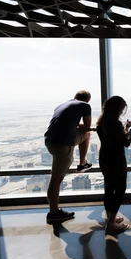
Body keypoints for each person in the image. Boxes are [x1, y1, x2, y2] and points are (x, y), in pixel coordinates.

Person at [45, 90, 93, 224]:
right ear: (87, 100)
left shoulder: (62, 105)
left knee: (86, 136)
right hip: (63, 143)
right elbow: (87, 127)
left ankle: (83, 163)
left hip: (50, 141)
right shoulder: (85, 105)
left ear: (75, 97)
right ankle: (53, 212)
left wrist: (75, 125)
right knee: (56, 179)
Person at [96, 96, 131, 234]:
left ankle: (110, 217)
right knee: (120, 189)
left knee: (109, 188)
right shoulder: (115, 124)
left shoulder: (101, 122)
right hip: (116, 159)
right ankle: (111, 224)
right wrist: (128, 130)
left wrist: (124, 128)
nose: (122, 111)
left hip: (105, 157)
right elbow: (125, 142)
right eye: (122, 108)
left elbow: (112, 138)